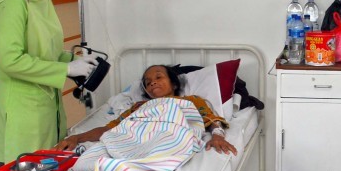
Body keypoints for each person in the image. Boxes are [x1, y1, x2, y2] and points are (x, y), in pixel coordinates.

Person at [0, 0, 97, 164]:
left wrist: (73, 61)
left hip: (45, 102)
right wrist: (65, 70)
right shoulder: (12, 2)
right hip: (21, 108)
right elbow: (10, 61)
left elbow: (44, 52)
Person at [55, 64, 237, 155]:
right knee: (91, 159)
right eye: (148, 83)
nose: (153, 83)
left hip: (169, 141)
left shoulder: (191, 101)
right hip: (135, 143)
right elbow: (109, 129)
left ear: (173, 83)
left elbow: (211, 120)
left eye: (159, 77)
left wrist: (217, 136)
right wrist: (77, 137)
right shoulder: (138, 107)